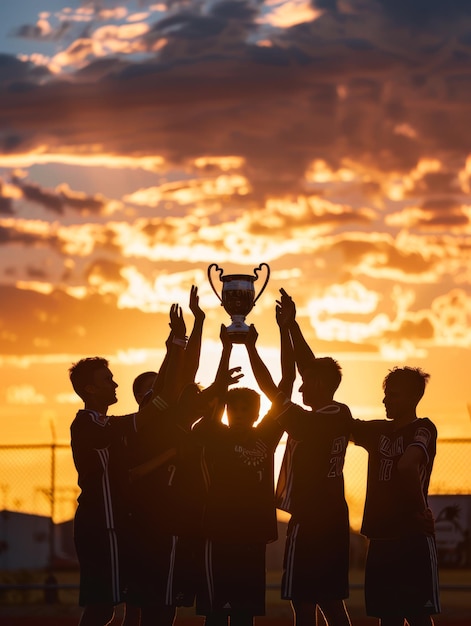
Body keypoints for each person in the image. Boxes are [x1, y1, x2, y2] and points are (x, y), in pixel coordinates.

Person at [69, 304, 187, 626]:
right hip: (99, 527)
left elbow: (155, 402)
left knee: (129, 603)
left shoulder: (108, 425)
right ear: (90, 389)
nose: (115, 385)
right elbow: (155, 404)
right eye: (108, 380)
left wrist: (174, 346)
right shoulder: (88, 425)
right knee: (102, 608)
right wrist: (174, 348)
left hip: (117, 527)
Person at [245, 289, 352, 626]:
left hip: (309, 520)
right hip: (334, 520)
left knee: (304, 603)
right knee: (332, 602)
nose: (302, 389)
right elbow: (307, 367)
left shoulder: (310, 421)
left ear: (319, 384)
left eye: (308, 384)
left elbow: (273, 388)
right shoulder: (340, 412)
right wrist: (290, 326)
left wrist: (250, 347)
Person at [194, 320, 291, 626]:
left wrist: (250, 346)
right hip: (218, 533)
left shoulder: (264, 436)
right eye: (232, 409)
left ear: (256, 413)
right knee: (215, 615)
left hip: (252, 535)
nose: (238, 414)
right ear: (225, 410)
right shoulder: (214, 432)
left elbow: (284, 389)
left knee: (244, 615)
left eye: (245, 409)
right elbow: (215, 395)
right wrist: (225, 349)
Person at [350, 366, 440, 626]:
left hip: (409, 537)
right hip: (383, 537)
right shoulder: (378, 430)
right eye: (386, 394)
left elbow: (408, 465)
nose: (386, 400)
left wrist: (420, 511)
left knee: (414, 615)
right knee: (394, 616)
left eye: (394, 395)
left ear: (414, 398)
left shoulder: (423, 428)